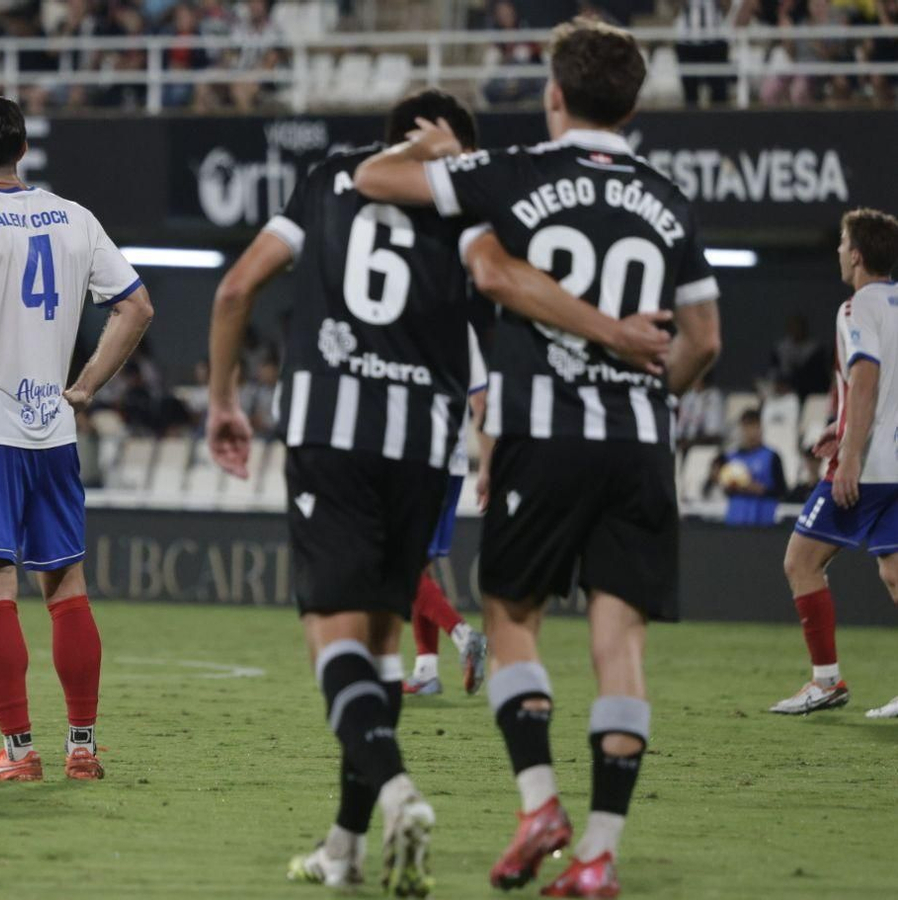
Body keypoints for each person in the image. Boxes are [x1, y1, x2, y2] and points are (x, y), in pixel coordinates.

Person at [206, 88, 670, 895]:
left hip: (331, 433)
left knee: (335, 641)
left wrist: (221, 400)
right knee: (384, 645)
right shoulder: (472, 201)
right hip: (425, 444)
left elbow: (235, 289)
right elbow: (502, 287)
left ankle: (398, 795)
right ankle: (344, 848)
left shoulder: (328, 178)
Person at [357, 19, 723, 897]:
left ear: (554, 95)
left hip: (543, 432)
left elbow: (375, 177)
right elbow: (704, 341)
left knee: (513, 612)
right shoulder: (669, 195)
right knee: (619, 637)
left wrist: (442, 152)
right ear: (633, 105)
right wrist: (645, 384)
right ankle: (598, 853)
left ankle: (538, 803)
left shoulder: (515, 173)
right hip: (639, 443)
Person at [0, 94, 153, 782]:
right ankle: (83, 746)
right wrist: (87, 385)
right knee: (67, 584)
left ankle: (18, 752)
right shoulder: (75, 218)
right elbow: (137, 305)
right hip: (53, 430)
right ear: (23, 149)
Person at [772, 208, 898, 719]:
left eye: (843, 242)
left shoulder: (855, 309)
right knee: (894, 573)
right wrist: (842, 424)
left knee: (801, 562)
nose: (838, 251)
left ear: (859, 255)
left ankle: (825, 682)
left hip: (866, 469)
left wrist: (848, 455)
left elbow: (866, 378)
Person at [406, 328, 492, 697]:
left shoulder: (397, 311)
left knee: (398, 567)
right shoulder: (463, 328)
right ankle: (426, 670)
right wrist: (486, 465)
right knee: (415, 567)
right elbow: (481, 401)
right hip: (452, 464)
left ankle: (463, 635)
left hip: (410, 460)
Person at [717, 409, 788, 526]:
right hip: (735, 519)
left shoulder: (771, 456)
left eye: (754, 426)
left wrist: (759, 489)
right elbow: (726, 489)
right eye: (746, 426)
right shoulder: (731, 457)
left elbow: (782, 490)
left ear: (761, 428)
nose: (750, 432)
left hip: (763, 521)